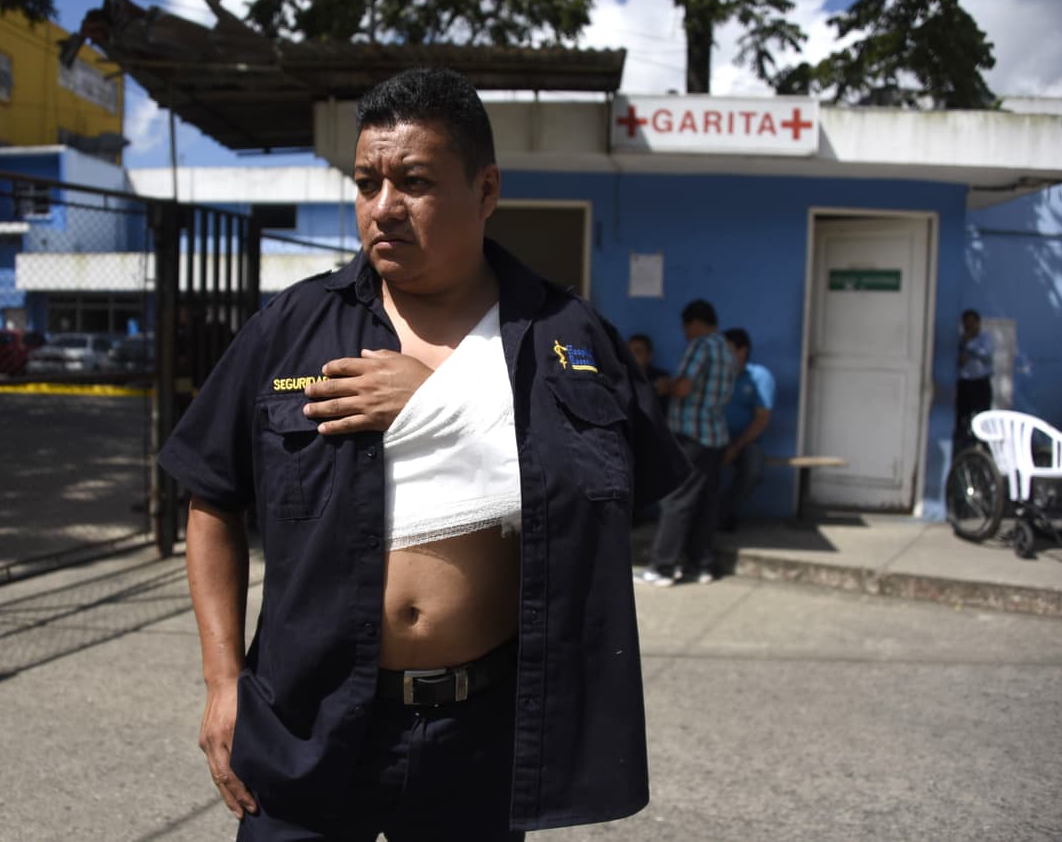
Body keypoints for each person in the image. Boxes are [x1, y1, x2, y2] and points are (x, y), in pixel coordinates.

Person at [158, 68, 686, 840]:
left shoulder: (566, 334)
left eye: (414, 181)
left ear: (486, 189)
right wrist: (221, 679)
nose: (383, 208)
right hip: (310, 717)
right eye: (366, 181)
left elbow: (615, 496)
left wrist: (441, 408)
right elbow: (212, 497)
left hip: (479, 731)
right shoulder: (294, 326)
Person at [638, 299, 736, 587]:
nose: (685, 334)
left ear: (695, 323)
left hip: (691, 435)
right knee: (705, 503)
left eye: (686, 327)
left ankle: (662, 568)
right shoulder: (728, 350)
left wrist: (664, 385)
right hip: (715, 436)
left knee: (676, 500)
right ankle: (701, 565)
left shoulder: (701, 346)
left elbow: (683, 388)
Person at [719, 328, 775, 532]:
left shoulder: (759, 377)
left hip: (745, 442)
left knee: (753, 467)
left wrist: (736, 447)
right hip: (713, 438)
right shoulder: (716, 375)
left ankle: (722, 513)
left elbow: (762, 419)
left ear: (743, 351)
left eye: (728, 349)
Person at [955, 308, 994, 453]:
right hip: (965, 385)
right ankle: (963, 449)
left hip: (981, 384)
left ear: (978, 323)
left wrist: (969, 344)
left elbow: (986, 354)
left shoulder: (985, 338)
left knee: (983, 416)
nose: (969, 326)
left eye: (972, 322)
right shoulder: (959, 340)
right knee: (962, 418)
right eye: (966, 323)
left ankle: (984, 449)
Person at [627, 333, 671, 414]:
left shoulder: (660, 377)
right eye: (629, 352)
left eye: (638, 351)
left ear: (649, 355)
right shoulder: (621, 377)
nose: (632, 356)